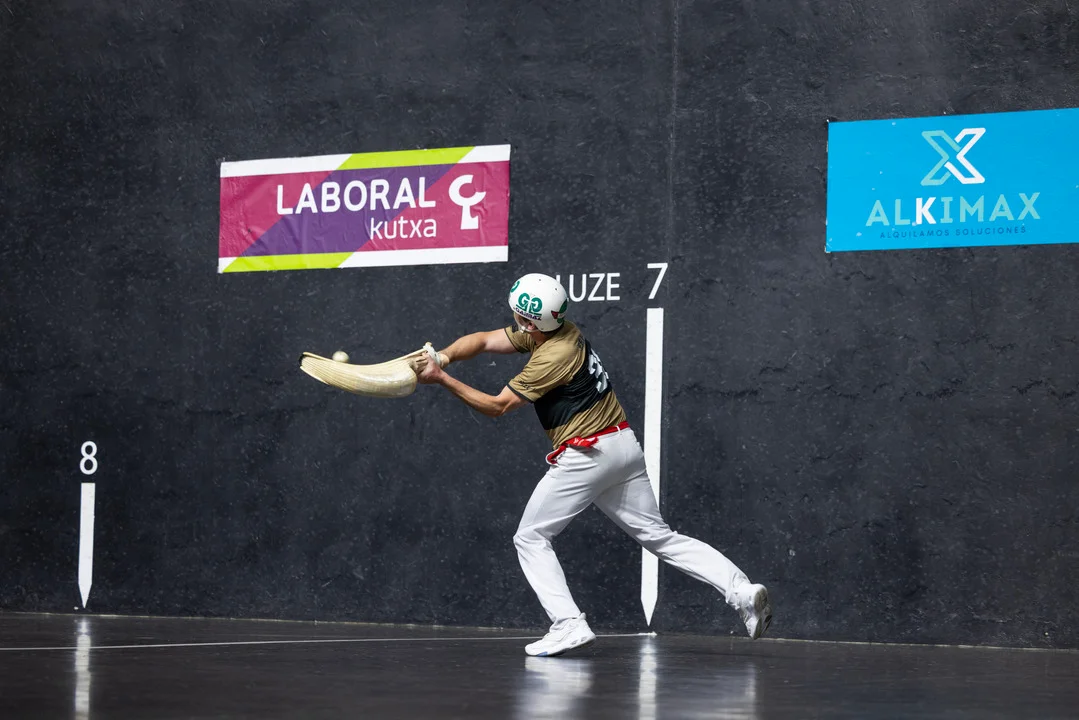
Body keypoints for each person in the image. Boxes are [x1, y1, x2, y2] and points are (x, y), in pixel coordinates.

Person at [415, 273, 772, 657]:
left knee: (530, 537)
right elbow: (485, 340)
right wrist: (443, 356)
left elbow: (498, 406)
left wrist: (441, 378)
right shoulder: (560, 329)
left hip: (586, 455)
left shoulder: (551, 357)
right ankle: (741, 591)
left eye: (519, 316)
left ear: (530, 323)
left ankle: (567, 623)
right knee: (660, 537)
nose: (515, 321)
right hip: (623, 447)